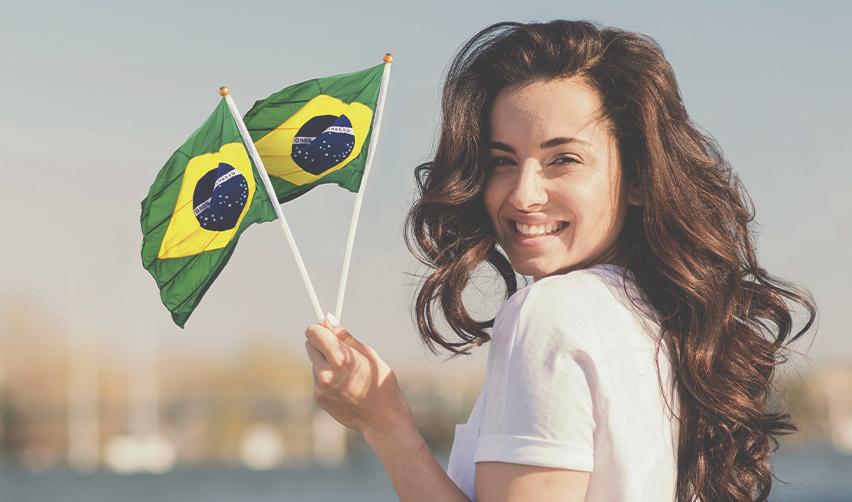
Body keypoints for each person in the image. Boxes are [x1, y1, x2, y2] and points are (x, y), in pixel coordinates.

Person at [303, 20, 817, 502]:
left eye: (563, 160)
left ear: (638, 176)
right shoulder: (660, 319)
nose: (523, 194)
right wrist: (383, 419)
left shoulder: (552, 313)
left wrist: (388, 428)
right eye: (502, 161)